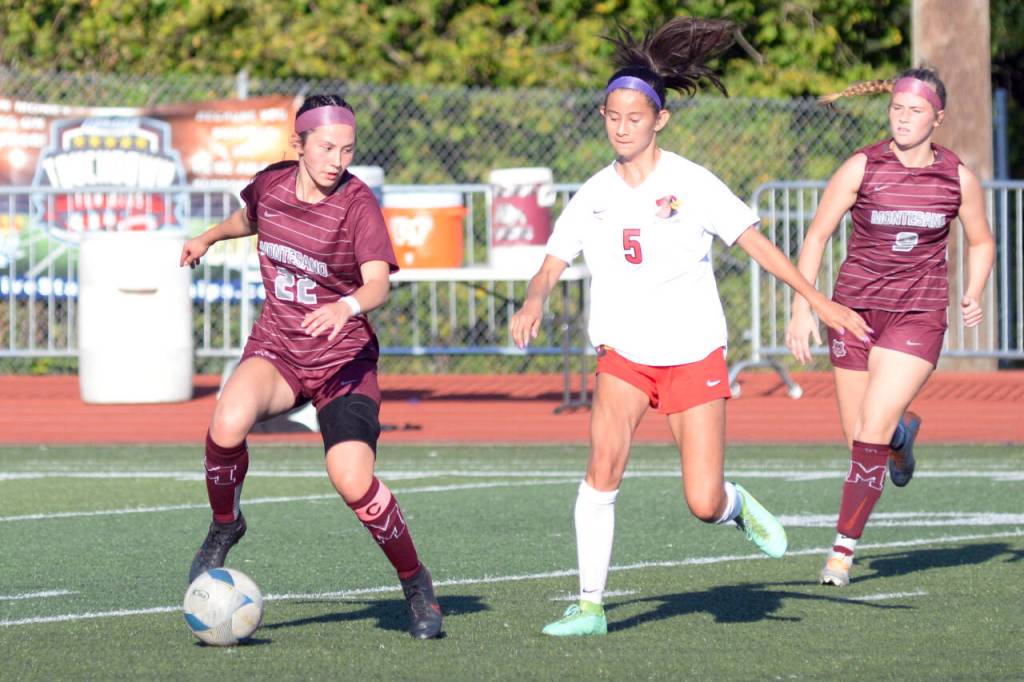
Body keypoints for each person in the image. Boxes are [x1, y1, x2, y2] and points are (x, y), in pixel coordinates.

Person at [510, 17, 871, 637]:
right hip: (623, 352)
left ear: (659, 121)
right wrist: (532, 301)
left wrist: (817, 300)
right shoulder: (592, 194)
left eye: (634, 118)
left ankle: (735, 505)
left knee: (701, 502)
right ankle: (591, 605)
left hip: (693, 350)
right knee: (603, 465)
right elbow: (550, 263)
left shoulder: (691, 182)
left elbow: (758, 245)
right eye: (611, 116)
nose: (621, 128)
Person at [179, 95, 443, 639]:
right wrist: (206, 237)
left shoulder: (356, 203)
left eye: (346, 149)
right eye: (325, 147)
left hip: (343, 362)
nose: (336, 160)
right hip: (279, 348)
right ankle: (225, 525)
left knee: (351, 480)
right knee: (226, 423)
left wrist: (345, 306)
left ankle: (416, 584)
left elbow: (378, 283)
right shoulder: (272, 185)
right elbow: (247, 218)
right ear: (297, 145)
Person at [786, 68, 995, 586]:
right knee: (861, 435)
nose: (903, 119)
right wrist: (802, 307)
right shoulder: (861, 166)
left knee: (869, 433)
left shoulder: (956, 176)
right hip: (852, 315)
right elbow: (816, 238)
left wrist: (973, 288)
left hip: (917, 317)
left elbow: (982, 241)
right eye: (897, 109)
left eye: (915, 111)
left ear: (937, 118)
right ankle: (904, 434)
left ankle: (841, 550)